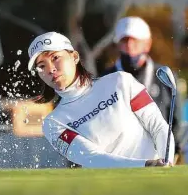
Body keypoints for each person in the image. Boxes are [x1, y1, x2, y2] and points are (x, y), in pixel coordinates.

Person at [27, 31, 174, 168]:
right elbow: (92, 158)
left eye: (55, 58)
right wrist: (146, 165)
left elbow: (159, 127)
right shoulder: (53, 123)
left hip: (156, 181)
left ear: (74, 57)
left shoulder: (121, 82)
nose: (50, 69)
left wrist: (166, 163)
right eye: (41, 66)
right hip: (109, 191)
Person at [100, 16, 184, 165]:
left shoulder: (164, 75)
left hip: (158, 153)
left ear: (147, 44)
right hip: (120, 155)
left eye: (135, 41)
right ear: (118, 44)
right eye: (125, 41)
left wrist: (174, 149)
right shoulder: (107, 77)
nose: (130, 46)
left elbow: (175, 117)